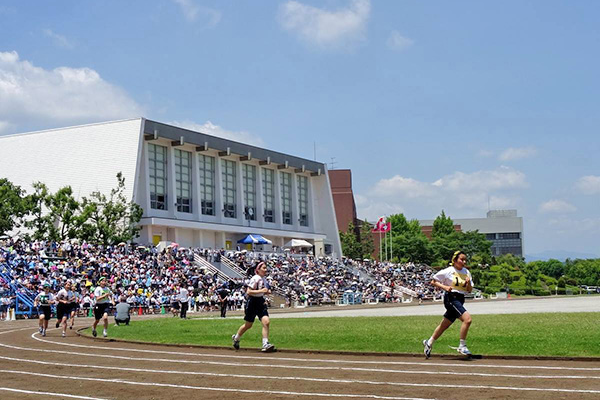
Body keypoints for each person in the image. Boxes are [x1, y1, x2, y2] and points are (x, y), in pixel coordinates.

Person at [423, 251, 473, 358]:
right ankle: (462, 345)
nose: (464, 262)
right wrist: (445, 287)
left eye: (465, 260)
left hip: (460, 298)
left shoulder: (467, 272)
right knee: (467, 319)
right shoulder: (449, 271)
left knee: (444, 325)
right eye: (461, 259)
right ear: (455, 260)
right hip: (451, 298)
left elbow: (469, 290)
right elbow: (433, 281)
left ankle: (429, 342)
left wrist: (468, 283)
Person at [232, 262, 275, 352]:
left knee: (266, 322)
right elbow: (249, 292)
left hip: (260, 301)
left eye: (266, 268)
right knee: (248, 325)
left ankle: (265, 343)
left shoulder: (264, 279)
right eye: (263, 268)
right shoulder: (255, 278)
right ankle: (236, 338)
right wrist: (262, 290)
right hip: (252, 302)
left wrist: (266, 292)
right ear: (258, 269)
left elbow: (264, 290)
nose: (265, 269)